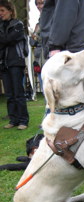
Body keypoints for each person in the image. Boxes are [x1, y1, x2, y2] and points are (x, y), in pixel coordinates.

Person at [0, 0, 29, 130]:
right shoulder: (1, 25)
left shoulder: (18, 24)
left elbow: (8, 39)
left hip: (16, 62)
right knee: (10, 94)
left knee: (18, 93)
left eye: (2, 11)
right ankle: (13, 119)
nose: (0, 14)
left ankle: (23, 120)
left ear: (10, 11)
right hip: (4, 63)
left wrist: (5, 40)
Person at [29, 0, 45, 93]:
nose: (39, 6)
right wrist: (34, 35)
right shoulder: (38, 23)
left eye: (42, 3)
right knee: (45, 90)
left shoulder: (53, 19)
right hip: (39, 60)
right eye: (37, 4)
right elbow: (32, 42)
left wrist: (36, 36)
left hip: (49, 57)